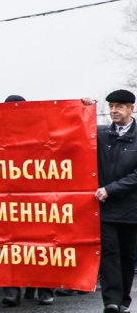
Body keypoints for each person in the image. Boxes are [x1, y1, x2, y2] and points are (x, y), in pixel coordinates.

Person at [0, 95, 55, 307]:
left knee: (40, 246)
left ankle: (45, 289)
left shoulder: (41, 130)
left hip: (37, 198)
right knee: (9, 246)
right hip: (7, 199)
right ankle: (12, 290)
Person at [96, 89, 137, 313]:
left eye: (119, 106)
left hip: (131, 209)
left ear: (131, 108)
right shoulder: (101, 135)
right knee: (109, 253)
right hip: (106, 209)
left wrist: (110, 189)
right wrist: (82, 107)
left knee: (128, 256)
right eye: (111, 106)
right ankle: (111, 301)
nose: (113, 110)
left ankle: (123, 300)